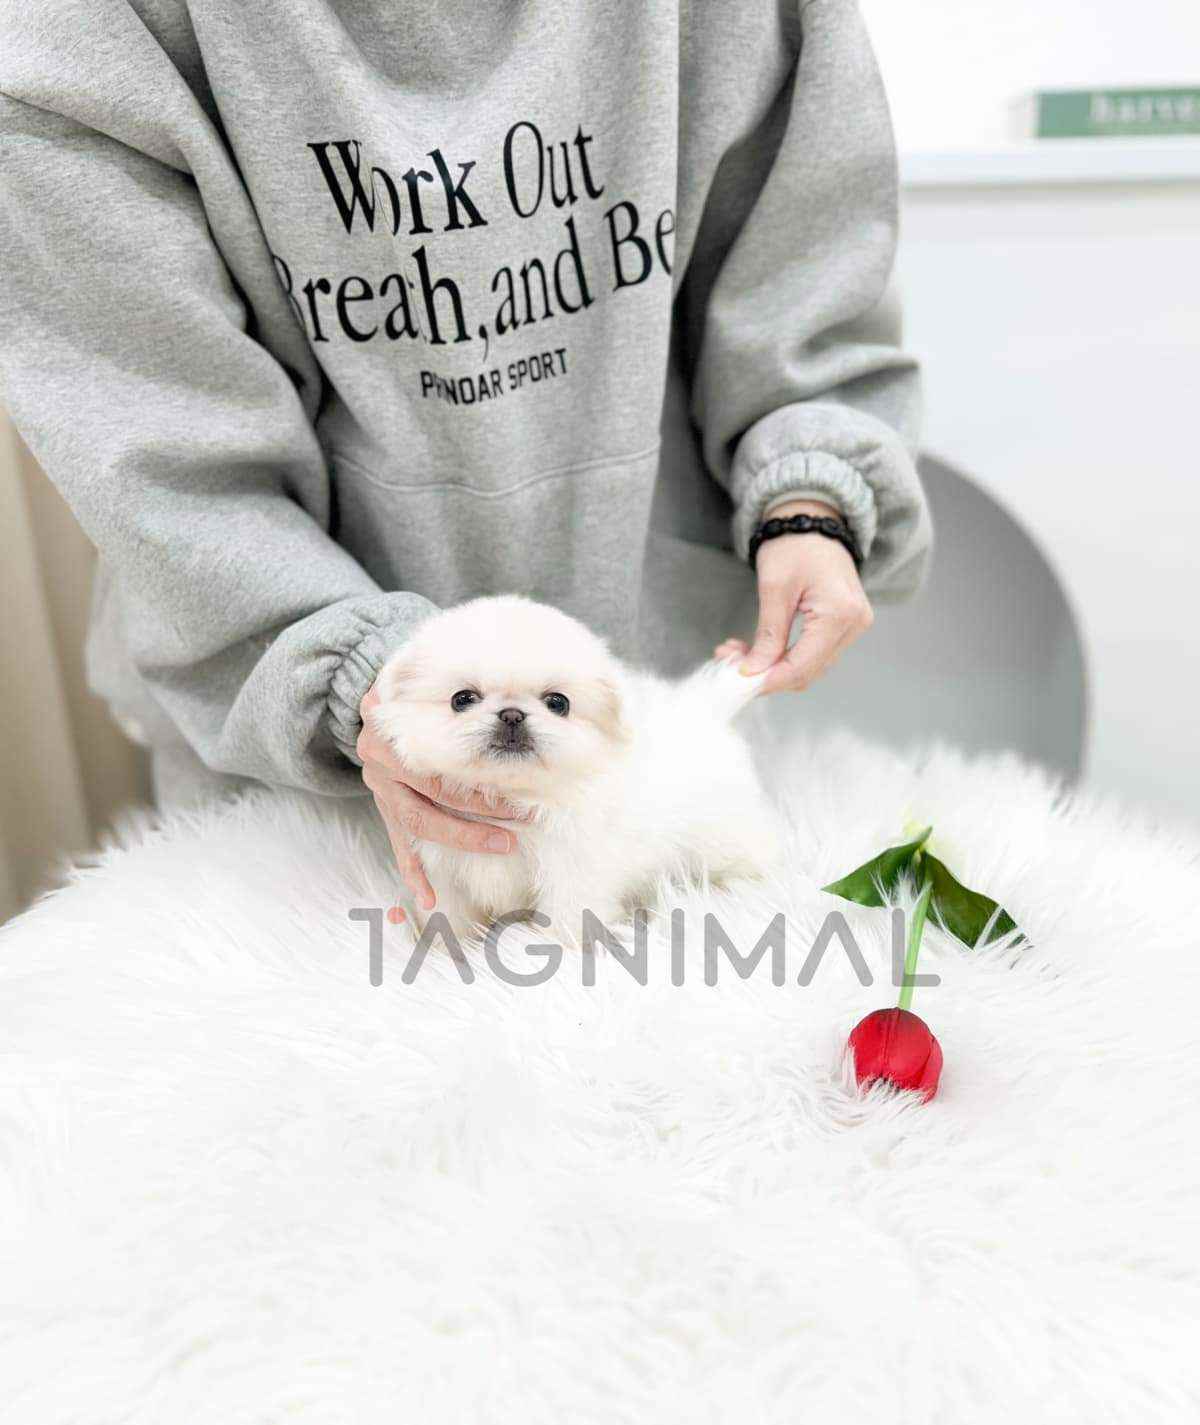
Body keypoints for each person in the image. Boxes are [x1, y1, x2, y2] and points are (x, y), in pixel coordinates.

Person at [0, 0, 930, 910]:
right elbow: (165, 453)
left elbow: (804, 259)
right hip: (291, 762)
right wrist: (355, 681)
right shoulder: (81, 31)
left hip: (638, 738)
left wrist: (808, 495)